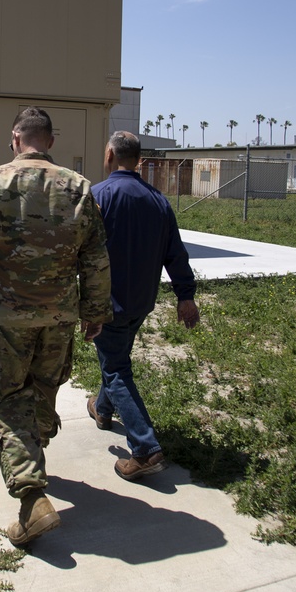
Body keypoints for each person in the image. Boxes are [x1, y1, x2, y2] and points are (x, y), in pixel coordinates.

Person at [0, 107, 112, 547]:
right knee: (42, 393)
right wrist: (95, 310)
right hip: (58, 320)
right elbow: (95, 259)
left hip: (6, 319)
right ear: (50, 141)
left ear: (15, 138)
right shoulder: (79, 187)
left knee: (5, 400)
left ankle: (31, 497)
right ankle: (35, 458)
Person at [87, 130, 200, 481]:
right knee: (116, 359)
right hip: (140, 303)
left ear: (109, 155)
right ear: (138, 160)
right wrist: (185, 295)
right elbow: (175, 253)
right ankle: (102, 409)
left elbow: (76, 251)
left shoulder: (97, 196)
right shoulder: (158, 201)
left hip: (106, 304)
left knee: (117, 369)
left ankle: (145, 449)